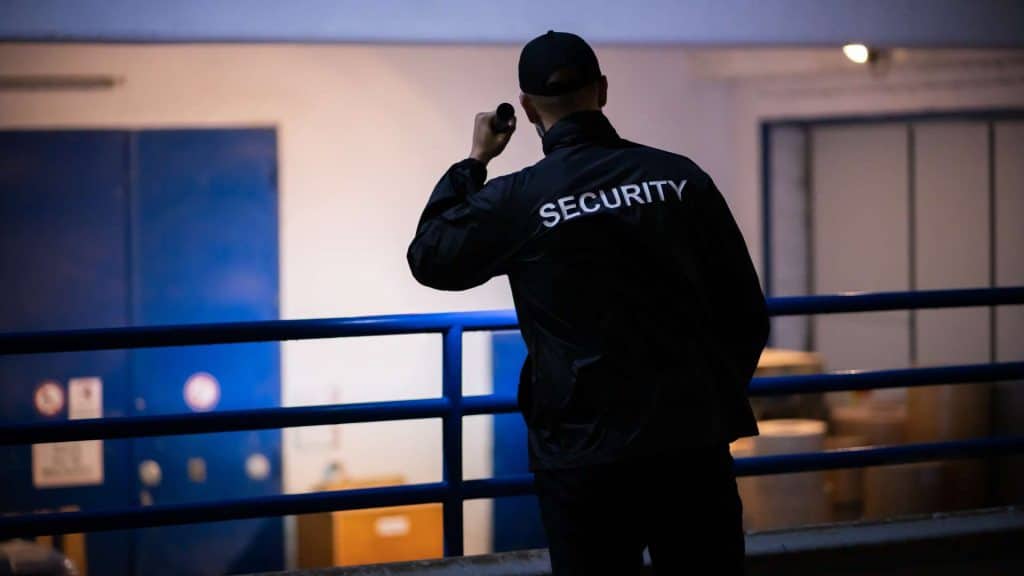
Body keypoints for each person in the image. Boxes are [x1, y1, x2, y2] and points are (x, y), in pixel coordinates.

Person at [408, 30, 768, 575]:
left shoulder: (518, 198)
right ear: (602, 90)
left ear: (527, 108)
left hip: (584, 459)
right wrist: (705, 399)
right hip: (690, 446)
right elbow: (745, 311)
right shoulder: (680, 178)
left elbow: (431, 257)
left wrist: (474, 161)